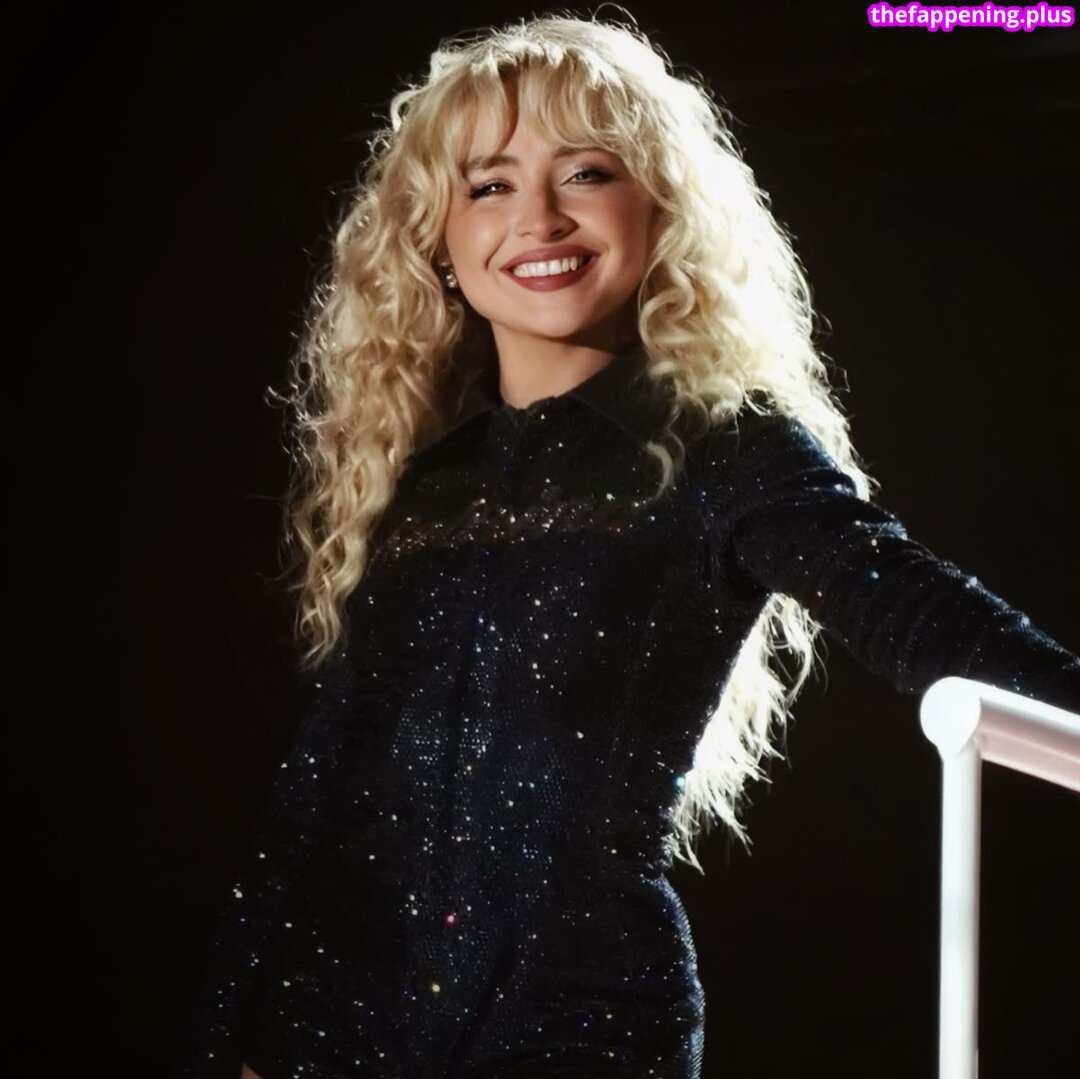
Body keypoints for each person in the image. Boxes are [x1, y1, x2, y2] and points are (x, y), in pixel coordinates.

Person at [175, 12, 1080, 1079]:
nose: (539, 217)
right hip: (327, 1026)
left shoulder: (726, 446)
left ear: (658, 208)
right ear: (438, 239)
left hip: (578, 1020)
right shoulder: (420, 482)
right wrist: (231, 1040)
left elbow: (927, 616)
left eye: (586, 172)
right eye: (490, 184)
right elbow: (320, 794)